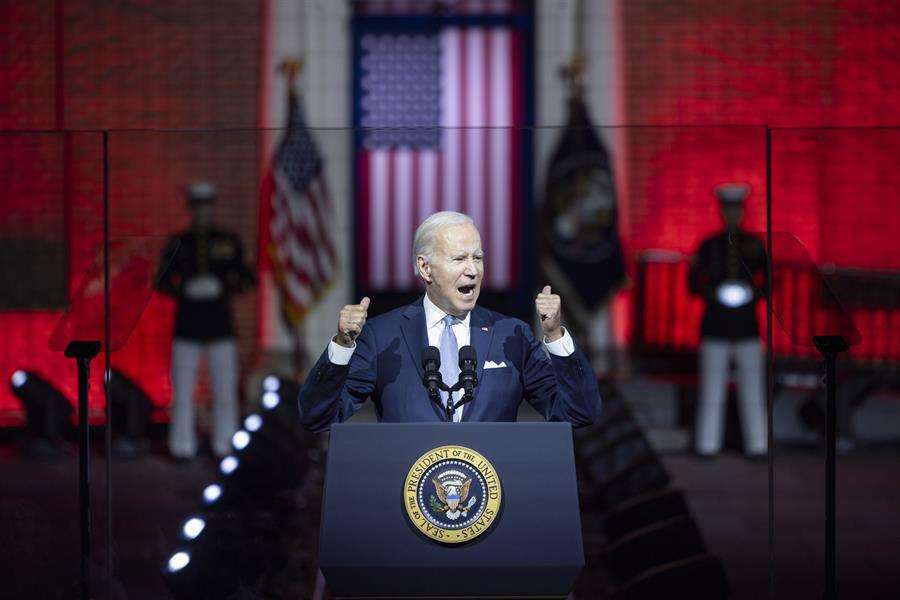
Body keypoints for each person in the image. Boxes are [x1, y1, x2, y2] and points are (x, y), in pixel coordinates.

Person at [297, 211, 602, 432]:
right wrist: (341, 346)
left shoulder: (512, 335)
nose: (473, 271)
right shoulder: (383, 335)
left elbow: (578, 414)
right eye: (459, 259)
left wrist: (556, 337)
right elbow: (318, 417)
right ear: (425, 268)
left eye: (478, 258)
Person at [157, 182, 256, 459]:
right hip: (187, 326)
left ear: (211, 207)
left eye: (206, 206)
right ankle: (181, 447)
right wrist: (184, 290)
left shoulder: (228, 240)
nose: (201, 211)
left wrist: (222, 288)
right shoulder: (179, 242)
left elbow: (247, 279)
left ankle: (225, 444)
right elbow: (161, 281)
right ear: (191, 208)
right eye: (197, 206)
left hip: (219, 324)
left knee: (224, 391)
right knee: (183, 391)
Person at [688, 183, 768, 458]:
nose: (732, 214)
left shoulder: (754, 245)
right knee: (711, 389)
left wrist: (751, 294)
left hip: (747, 327)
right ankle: (707, 446)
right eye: (728, 208)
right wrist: (714, 293)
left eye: (736, 209)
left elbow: (768, 281)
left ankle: (758, 446)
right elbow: (693, 282)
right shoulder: (709, 246)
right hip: (716, 326)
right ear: (722, 211)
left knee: (753, 390)